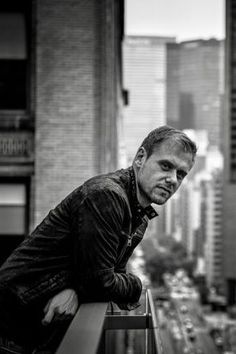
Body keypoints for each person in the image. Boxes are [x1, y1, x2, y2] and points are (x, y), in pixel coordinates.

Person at [0, 125, 197, 353]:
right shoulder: (107, 195)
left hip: (35, 329)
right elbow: (101, 282)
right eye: (166, 166)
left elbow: (108, 276)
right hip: (10, 323)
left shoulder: (139, 216)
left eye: (180, 174)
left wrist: (78, 289)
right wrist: (136, 285)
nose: (172, 179)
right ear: (141, 158)